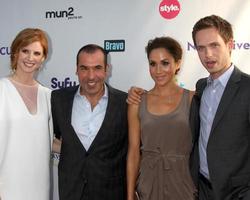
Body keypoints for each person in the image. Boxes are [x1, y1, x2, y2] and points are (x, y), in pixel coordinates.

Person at [51, 44, 128, 200]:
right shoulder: (58, 99)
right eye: (84, 68)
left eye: (97, 68)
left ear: (107, 69)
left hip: (112, 193)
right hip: (71, 193)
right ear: (76, 69)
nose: (91, 76)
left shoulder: (125, 103)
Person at [127, 36, 196, 200]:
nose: (158, 70)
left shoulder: (193, 99)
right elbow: (134, 152)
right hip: (148, 183)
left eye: (165, 63)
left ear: (177, 64)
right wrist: (130, 195)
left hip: (184, 182)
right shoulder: (137, 101)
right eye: (153, 64)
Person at [189, 15, 250, 200]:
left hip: (238, 192)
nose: (208, 54)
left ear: (230, 45)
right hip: (203, 189)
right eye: (201, 48)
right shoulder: (201, 87)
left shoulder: (247, 87)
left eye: (214, 45)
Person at [0, 28, 59, 200]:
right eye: (25, 51)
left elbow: (47, 141)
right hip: (7, 187)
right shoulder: (2, 89)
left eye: (36, 53)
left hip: (39, 186)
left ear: (43, 59)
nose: (30, 58)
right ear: (15, 53)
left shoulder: (47, 95)